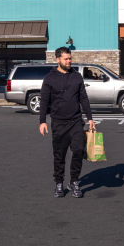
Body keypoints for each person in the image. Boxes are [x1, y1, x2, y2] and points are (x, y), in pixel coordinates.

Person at [39, 47, 95, 198]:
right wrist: (42, 121)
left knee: (78, 150)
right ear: (58, 59)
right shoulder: (49, 79)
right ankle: (59, 183)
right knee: (60, 155)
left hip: (76, 121)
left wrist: (90, 118)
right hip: (58, 122)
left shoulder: (76, 76)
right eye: (66, 58)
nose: (69, 61)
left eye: (70, 58)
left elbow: (83, 97)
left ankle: (74, 181)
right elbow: (44, 100)